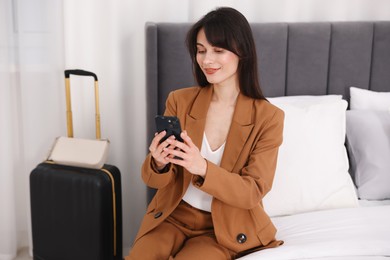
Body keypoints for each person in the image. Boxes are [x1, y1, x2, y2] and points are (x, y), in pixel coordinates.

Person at [126, 7, 284, 260]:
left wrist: (202, 167)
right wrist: (158, 162)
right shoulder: (180, 100)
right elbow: (152, 180)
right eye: (201, 50)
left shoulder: (269, 117)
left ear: (242, 52)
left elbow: (252, 191)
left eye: (218, 50)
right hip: (174, 216)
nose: (207, 60)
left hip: (223, 227)